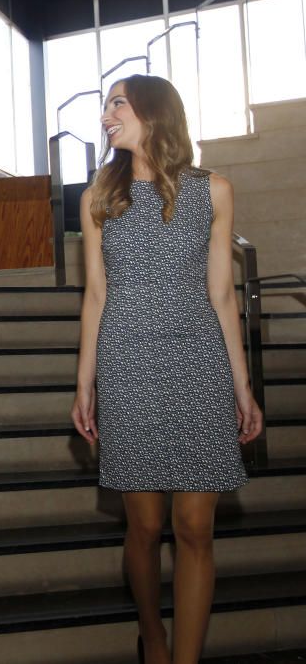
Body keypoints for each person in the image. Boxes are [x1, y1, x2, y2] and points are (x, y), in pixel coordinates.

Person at [70, 74, 262, 664]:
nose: (106, 115)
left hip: (199, 362)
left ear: (153, 112)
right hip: (127, 362)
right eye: (106, 106)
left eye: (117, 103)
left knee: (195, 527)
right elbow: (96, 295)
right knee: (147, 527)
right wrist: (84, 381)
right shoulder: (101, 195)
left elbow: (223, 295)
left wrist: (243, 386)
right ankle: (152, 632)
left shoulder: (215, 191)